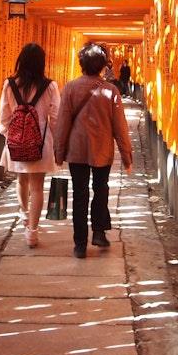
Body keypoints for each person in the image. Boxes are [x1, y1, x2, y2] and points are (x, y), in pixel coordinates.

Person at [54, 43, 133, 258]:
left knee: (79, 194)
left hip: (77, 150)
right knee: (101, 190)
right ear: (102, 65)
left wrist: (58, 153)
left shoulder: (70, 88)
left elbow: (63, 123)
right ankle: (98, 232)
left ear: (81, 64)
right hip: (102, 150)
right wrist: (126, 156)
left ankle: (80, 244)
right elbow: (120, 127)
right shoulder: (111, 90)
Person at [0, 43, 61, 247]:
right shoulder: (50, 86)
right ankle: (32, 233)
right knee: (37, 187)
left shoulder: (9, 85)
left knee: (21, 180)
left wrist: (13, 136)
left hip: (15, 142)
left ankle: (24, 213)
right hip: (41, 144)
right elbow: (56, 117)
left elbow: (3, 117)